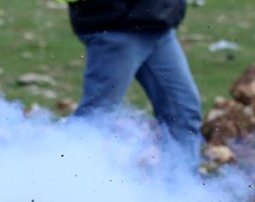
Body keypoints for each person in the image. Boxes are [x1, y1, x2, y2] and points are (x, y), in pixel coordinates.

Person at [59, 0, 203, 168]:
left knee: (183, 112)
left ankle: (183, 190)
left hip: (159, 23)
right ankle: (63, 180)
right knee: (95, 117)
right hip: (116, 26)